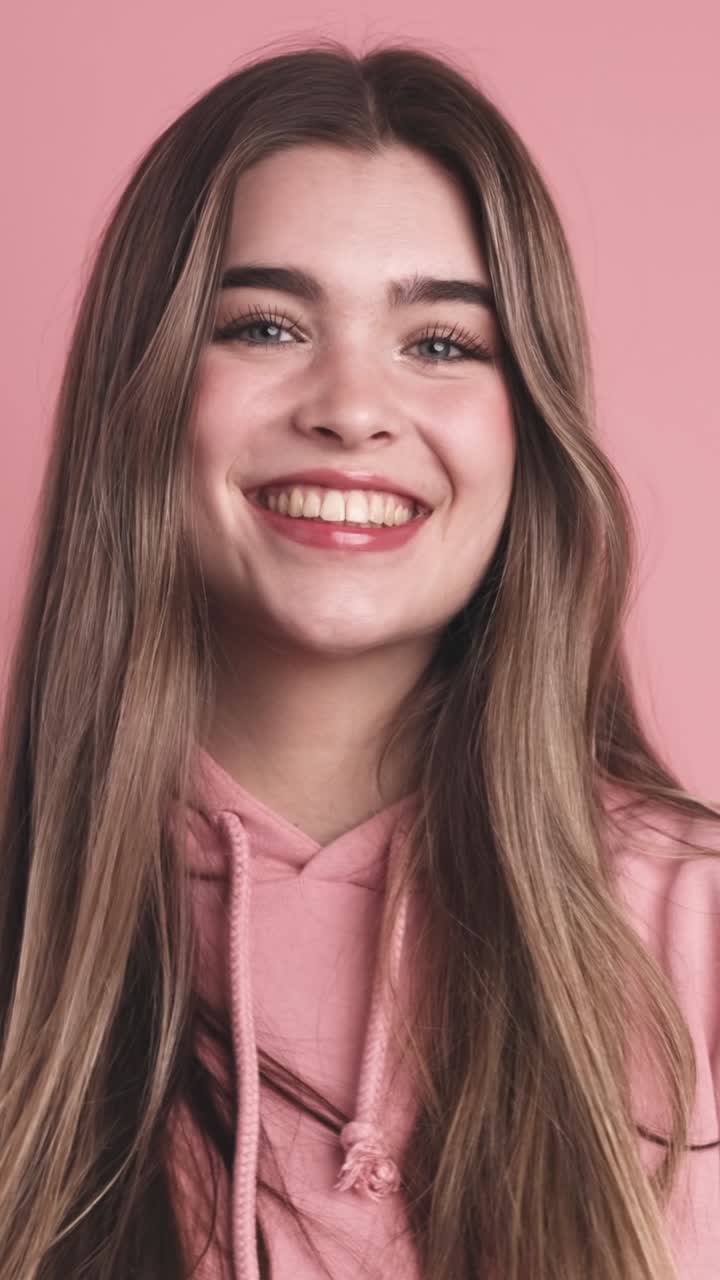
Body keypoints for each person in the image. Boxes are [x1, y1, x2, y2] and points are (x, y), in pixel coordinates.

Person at [0, 35, 718, 1280]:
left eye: (441, 343)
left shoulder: (697, 929)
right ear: (147, 394)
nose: (350, 404)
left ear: (528, 427)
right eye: (266, 324)